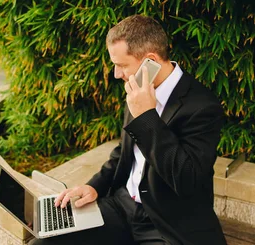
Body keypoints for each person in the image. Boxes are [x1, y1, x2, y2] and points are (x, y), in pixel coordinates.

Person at [33, 15, 227, 245]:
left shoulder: (202, 106)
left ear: (150, 61)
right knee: (44, 242)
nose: (116, 74)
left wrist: (147, 118)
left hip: (167, 223)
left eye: (122, 65)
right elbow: (124, 152)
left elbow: (186, 179)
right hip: (121, 206)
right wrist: (94, 186)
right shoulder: (135, 90)